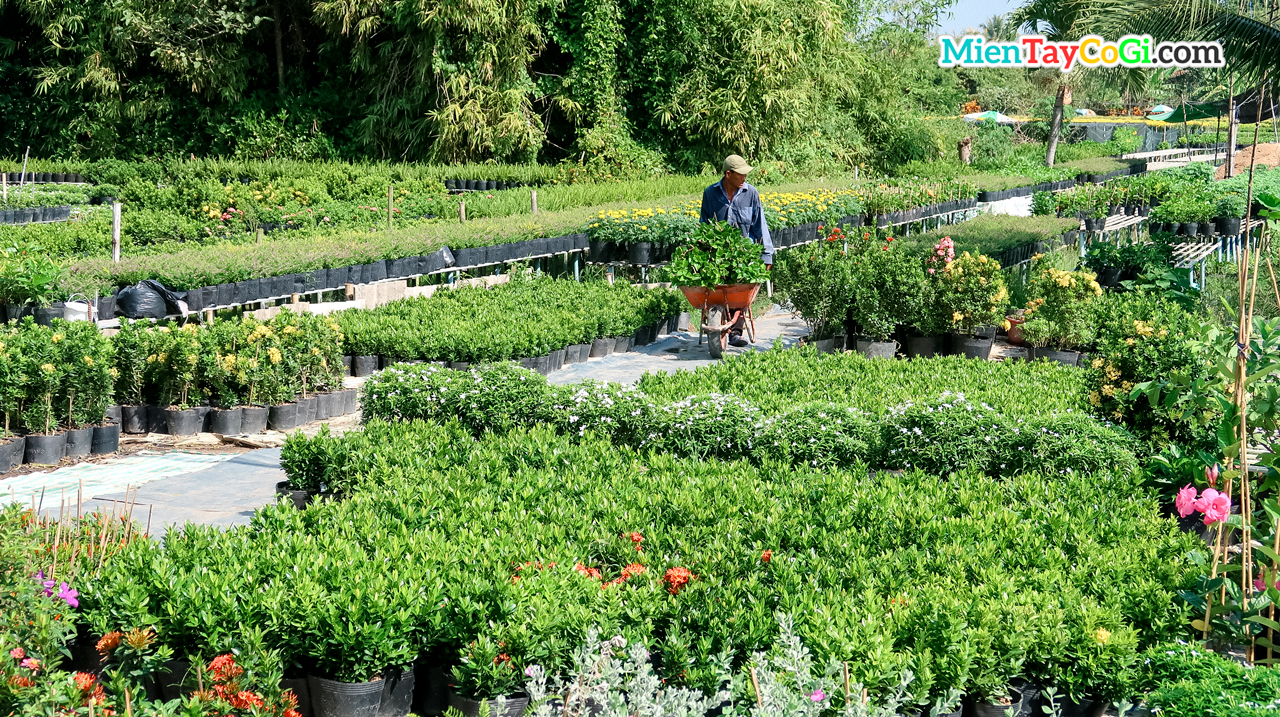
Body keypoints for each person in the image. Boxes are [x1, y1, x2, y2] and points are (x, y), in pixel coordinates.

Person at [699, 154, 773, 347]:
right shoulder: (710, 194)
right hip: (718, 254)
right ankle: (719, 321)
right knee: (718, 290)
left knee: (741, 291)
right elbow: (704, 225)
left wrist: (767, 255)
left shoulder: (751, 193)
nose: (744, 178)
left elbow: (760, 225)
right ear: (728, 174)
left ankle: (736, 331)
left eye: (745, 174)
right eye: (740, 174)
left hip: (744, 255)